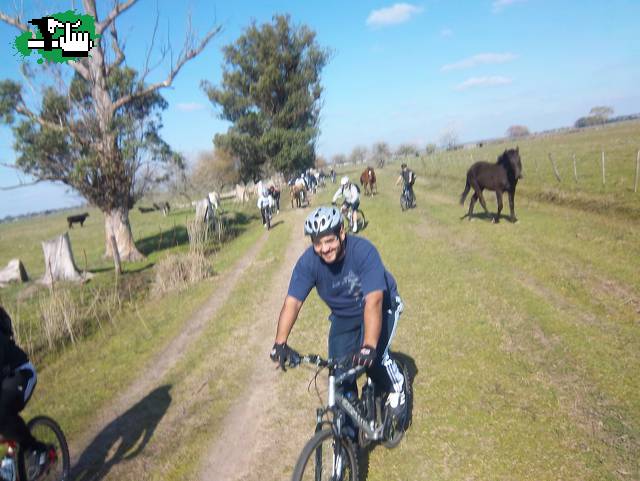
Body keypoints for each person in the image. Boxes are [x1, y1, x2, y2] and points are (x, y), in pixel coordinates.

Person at [270, 206, 406, 425]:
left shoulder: (364, 252)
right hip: (344, 316)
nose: (324, 248)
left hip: (381, 306)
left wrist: (368, 345)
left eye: (329, 240)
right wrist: (280, 342)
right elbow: (293, 302)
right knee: (339, 373)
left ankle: (395, 384)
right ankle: (348, 437)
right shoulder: (308, 263)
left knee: (375, 358)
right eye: (318, 243)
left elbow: (374, 301)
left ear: (342, 232)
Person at [0, 306, 49, 477]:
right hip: (5, 379)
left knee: (2, 412)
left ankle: (37, 450)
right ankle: (9, 457)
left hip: (21, 374)